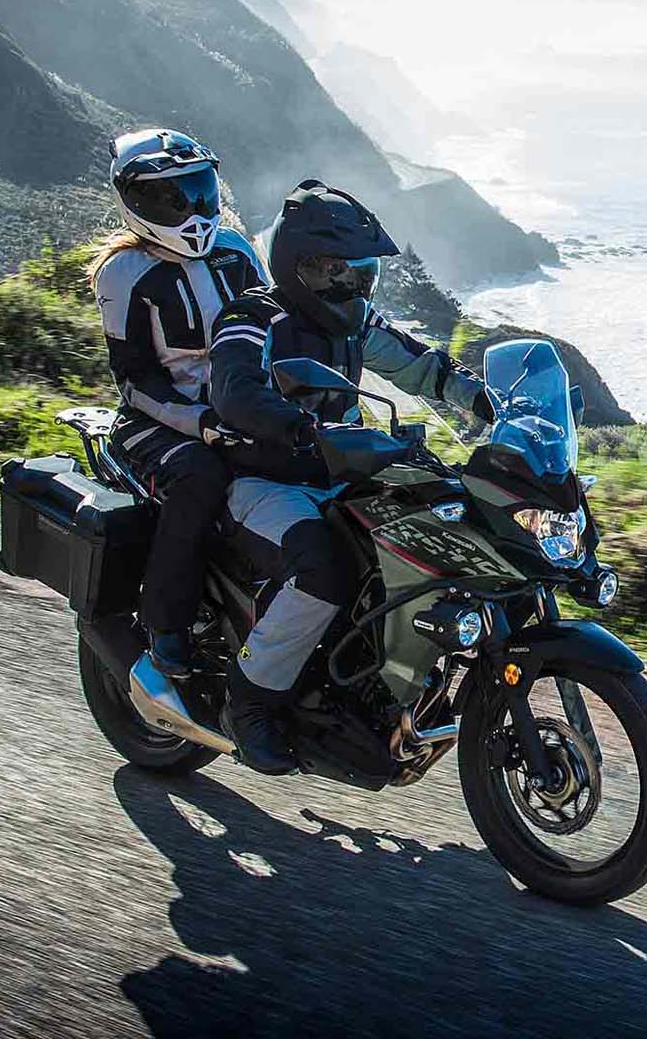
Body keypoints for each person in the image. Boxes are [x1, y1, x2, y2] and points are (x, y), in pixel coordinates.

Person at [207, 180, 494, 773]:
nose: (357, 287)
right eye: (344, 273)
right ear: (302, 269)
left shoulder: (357, 322)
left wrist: (487, 400)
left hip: (345, 479)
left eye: (365, 274)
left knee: (428, 541)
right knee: (326, 570)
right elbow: (234, 391)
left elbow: (420, 364)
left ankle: (382, 686)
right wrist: (299, 428)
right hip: (268, 482)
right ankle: (250, 701)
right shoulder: (254, 316)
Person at [89, 129, 269, 677]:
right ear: (136, 202)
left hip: (239, 411)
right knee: (200, 479)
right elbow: (134, 379)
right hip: (156, 421)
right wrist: (201, 422)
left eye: (200, 192)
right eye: (174, 198)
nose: (193, 209)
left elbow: (279, 331)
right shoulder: (124, 273)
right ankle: (166, 623)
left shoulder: (237, 250)